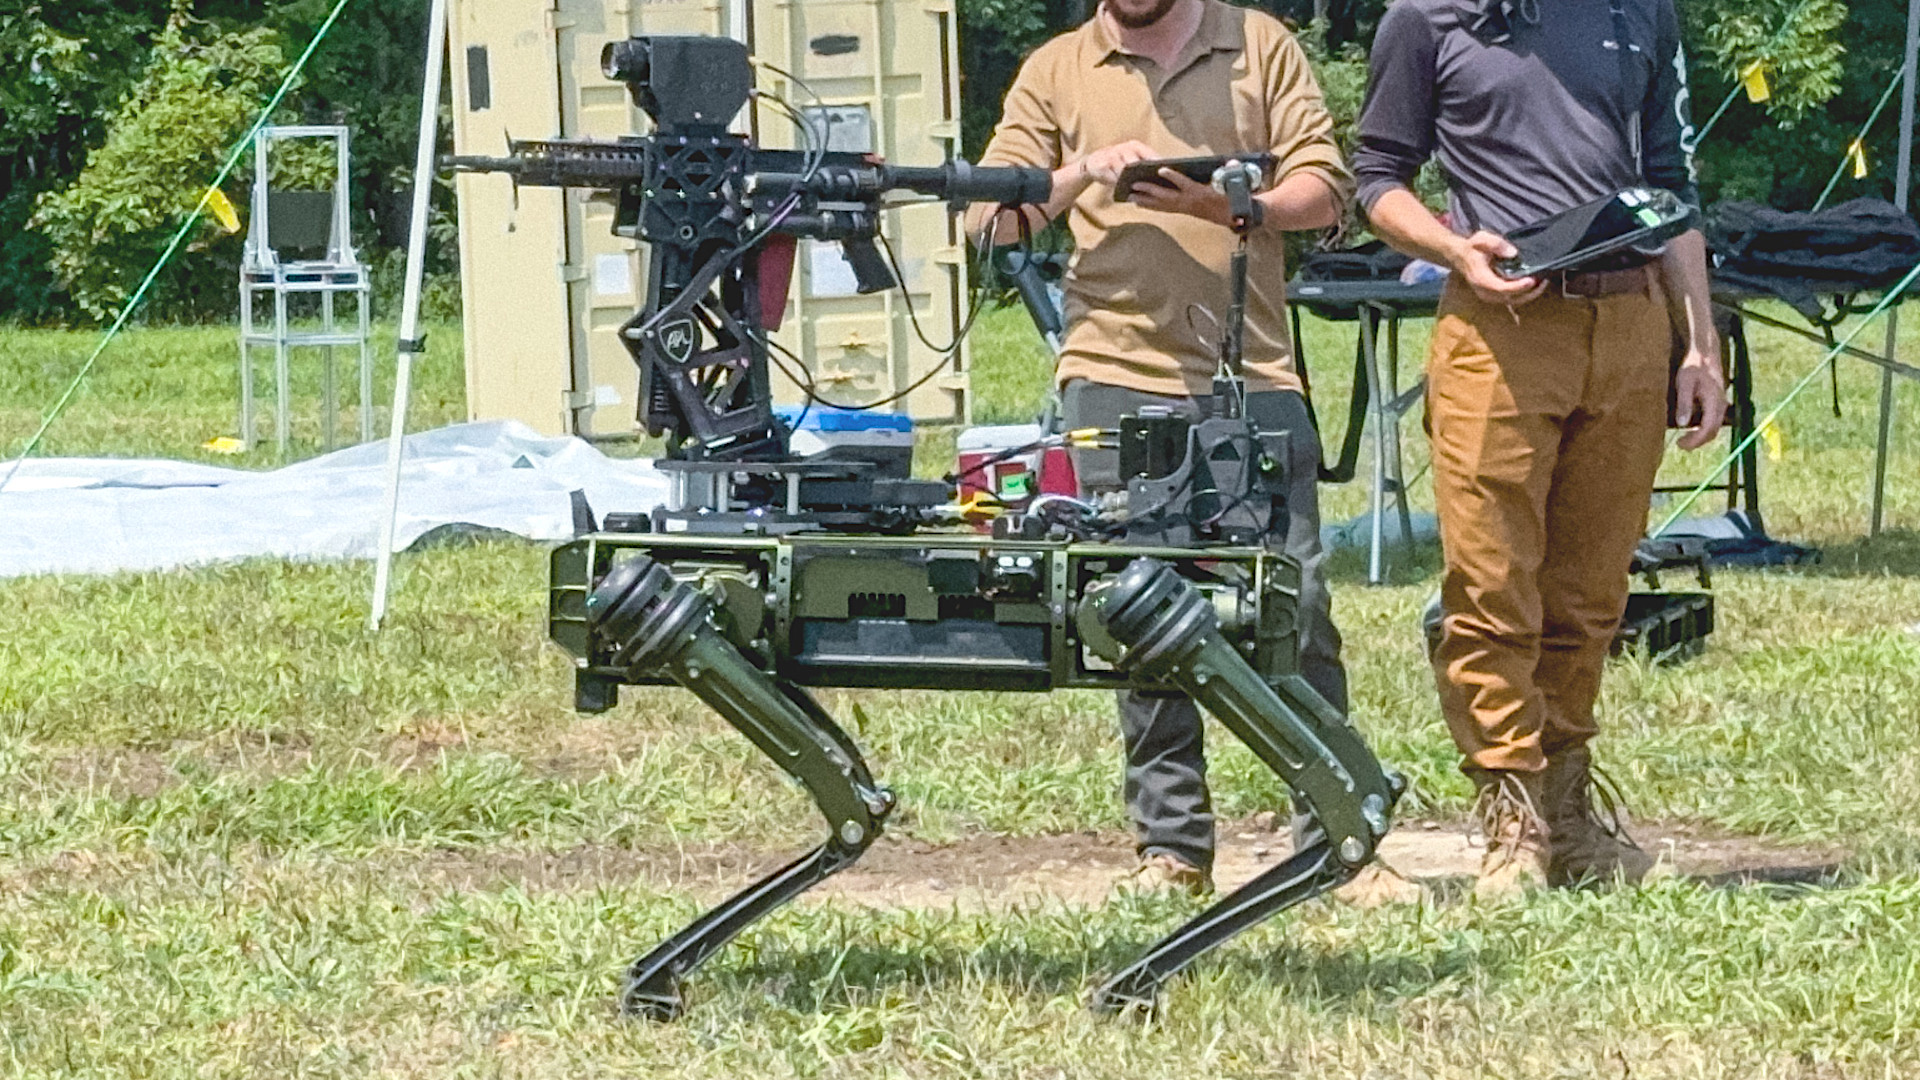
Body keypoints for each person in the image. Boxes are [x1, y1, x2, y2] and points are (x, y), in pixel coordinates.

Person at [969, 0, 1360, 896]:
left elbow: (1325, 192)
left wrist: (1231, 206)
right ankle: (1173, 849)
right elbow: (989, 221)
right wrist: (1080, 173)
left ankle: (1334, 836)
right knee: (1139, 609)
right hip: (1112, 373)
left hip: (1253, 372)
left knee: (1294, 606)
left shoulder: (1258, 44)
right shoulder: (1058, 67)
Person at [1354, 0, 1727, 896]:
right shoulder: (1428, 18)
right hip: (1501, 327)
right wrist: (1453, 248)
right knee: (1491, 586)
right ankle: (1512, 817)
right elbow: (1375, 181)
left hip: (1630, 317)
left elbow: (1671, 186)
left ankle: (1567, 818)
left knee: (1591, 592)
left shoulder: (1641, 11)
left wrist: (1700, 345)